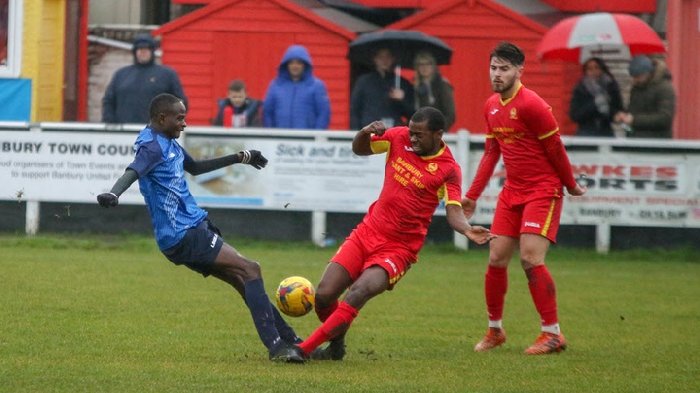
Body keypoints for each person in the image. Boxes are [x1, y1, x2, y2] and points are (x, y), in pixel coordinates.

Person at [96, 93, 304, 363]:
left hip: (190, 230)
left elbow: (194, 167)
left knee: (242, 279)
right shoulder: (152, 147)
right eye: (179, 118)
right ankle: (278, 347)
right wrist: (114, 193)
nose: (184, 124)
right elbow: (133, 170)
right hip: (184, 234)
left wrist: (241, 157)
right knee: (250, 269)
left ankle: (293, 341)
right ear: (162, 118)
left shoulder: (167, 143)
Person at [296, 107, 494, 361]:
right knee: (323, 295)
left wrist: (467, 229)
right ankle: (336, 347)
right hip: (367, 232)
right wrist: (364, 132)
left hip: (399, 249)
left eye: (419, 135)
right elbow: (360, 149)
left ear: (438, 134)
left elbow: (454, 210)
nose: (412, 139)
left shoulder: (448, 170)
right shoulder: (398, 137)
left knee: (358, 291)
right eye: (411, 133)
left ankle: (304, 349)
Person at [461, 42, 586, 355]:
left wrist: (569, 184)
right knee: (496, 256)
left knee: (530, 258)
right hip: (513, 191)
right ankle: (495, 330)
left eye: (504, 69)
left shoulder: (532, 105)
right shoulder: (491, 105)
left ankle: (552, 333)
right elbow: (491, 153)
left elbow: (555, 149)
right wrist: (472, 196)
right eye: (494, 68)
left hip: (543, 189)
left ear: (519, 70)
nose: (497, 74)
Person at [102, 34, 187, 124]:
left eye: (146, 49)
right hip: (125, 132)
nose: (143, 52)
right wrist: (110, 124)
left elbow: (180, 103)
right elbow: (108, 101)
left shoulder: (167, 75)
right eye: (140, 49)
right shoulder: (121, 75)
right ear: (135, 52)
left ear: (152, 51)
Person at [263, 44, 330, 129]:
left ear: (305, 65)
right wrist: (272, 134)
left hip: (307, 139)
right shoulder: (275, 85)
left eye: (299, 63)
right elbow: (267, 112)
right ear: (286, 65)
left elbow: (323, 114)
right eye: (291, 63)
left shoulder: (317, 86)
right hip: (280, 139)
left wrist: (316, 136)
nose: (295, 66)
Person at [350, 48, 415, 130]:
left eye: (388, 57)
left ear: (393, 59)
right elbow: (355, 109)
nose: (384, 60)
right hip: (369, 130)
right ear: (375, 59)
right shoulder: (363, 81)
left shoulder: (402, 83)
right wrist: (356, 132)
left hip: (392, 131)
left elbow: (411, 114)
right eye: (381, 57)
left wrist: (402, 100)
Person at [613, 55, 676, 138]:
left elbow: (665, 118)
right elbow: (633, 112)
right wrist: (623, 117)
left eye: (638, 76)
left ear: (648, 73)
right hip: (634, 140)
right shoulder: (636, 88)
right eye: (633, 77)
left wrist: (634, 120)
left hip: (657, 143)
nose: (635, 80)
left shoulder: (665, 88)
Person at [569, 57, 623, 137]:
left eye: (597, 67)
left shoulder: (610, 87)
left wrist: (612, 113)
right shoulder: (580, 89)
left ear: (602, 69)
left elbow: (617, 109)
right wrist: (594, 104)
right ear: (586, 71)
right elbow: (575, 115)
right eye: (590, 69)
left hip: (606, 132)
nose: (594, 71)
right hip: (586, 132)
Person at [413, 51, 456, 131]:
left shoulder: (443, 85)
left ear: (434, 66)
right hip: (418, 133)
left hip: (436, 134)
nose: (424, 67)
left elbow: (450, 115)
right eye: (421, 64)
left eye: (428, 64)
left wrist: (438, 131)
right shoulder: (414, 86)